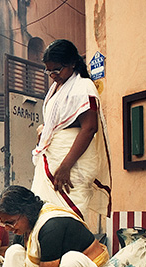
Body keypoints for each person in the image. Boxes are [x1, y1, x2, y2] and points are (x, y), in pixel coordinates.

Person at [31, 39, 111, 222]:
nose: (52, 75)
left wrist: (65, 166)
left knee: (67, 220)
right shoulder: (56, 88)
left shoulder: (83, 87)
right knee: (44, 215)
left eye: (57, 69)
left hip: (71, 164)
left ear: (72, 63)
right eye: (48, 70)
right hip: (52, 159)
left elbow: (90, 128)